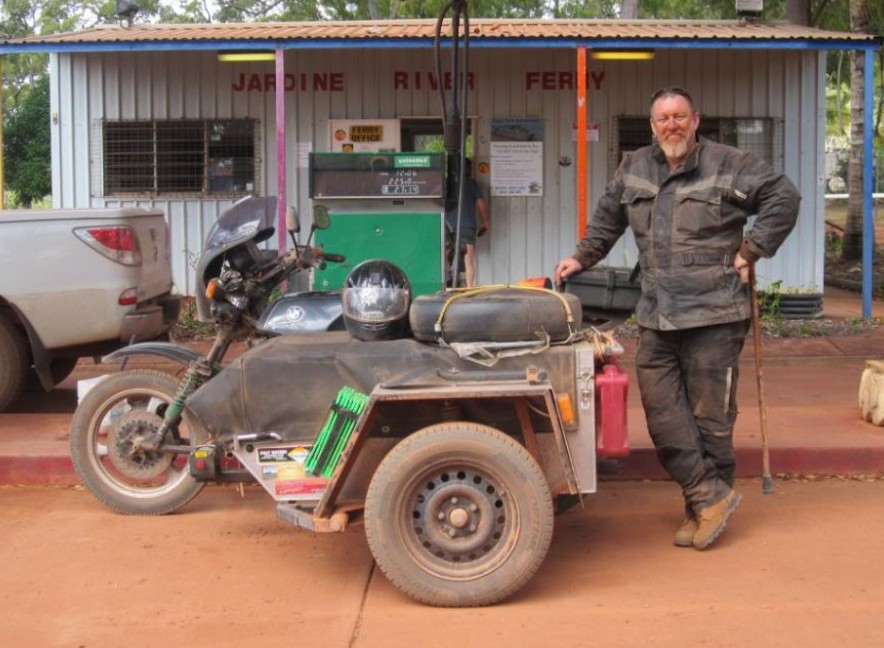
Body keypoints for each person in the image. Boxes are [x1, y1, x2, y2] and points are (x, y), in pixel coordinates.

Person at [555, 87, 800, 550]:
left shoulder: (728, 163)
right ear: (652, 126)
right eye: (663, 118)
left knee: (711, 420)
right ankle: (709, 497)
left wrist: (753, 249)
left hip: (715, 314)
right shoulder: (635, 168)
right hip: (656, 313)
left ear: (695, 120)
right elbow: (608, 219)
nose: (672, 125)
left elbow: (782, 197)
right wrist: (581, 257)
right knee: (663, 415)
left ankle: (701, 508)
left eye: (680, 116)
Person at [446, 159, 490, 287]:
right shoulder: (472, 184)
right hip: (467, 225)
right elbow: (481, 203)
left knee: (445, 255)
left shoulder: (447, 183)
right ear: (467, 169)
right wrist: (485, 222)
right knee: (468, 259)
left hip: (448, 224)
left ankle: (445, 286)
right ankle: (470, 288)